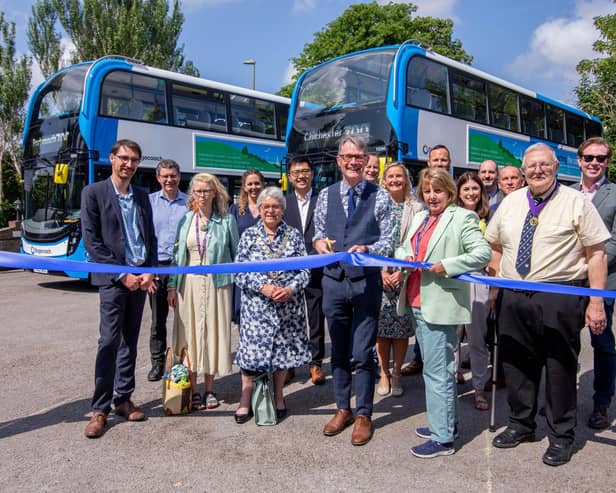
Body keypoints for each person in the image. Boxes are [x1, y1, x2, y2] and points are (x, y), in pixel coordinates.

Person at [485, 142, 610, 466]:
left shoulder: (576, 203)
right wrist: (495, 289)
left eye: (544, 164)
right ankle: (521, 424)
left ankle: (561, 436)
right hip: (513, 294)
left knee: (559, 368)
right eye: (531, 166)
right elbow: (496, 246)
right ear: (523, 171)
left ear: (556, 168)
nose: (537, 170)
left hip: (560, 294)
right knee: (516, 365)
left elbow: (596, 254)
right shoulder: (510, 203)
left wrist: (595, 302)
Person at [396, 167, 491, 458]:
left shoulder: (463, 217)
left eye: (438, 190)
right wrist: (406, 257)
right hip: (415, 300)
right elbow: (401, 248)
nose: (432, 196)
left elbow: (482, 253)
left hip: (439, 304)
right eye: (427, 191)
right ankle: (447, 424)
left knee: (437, 373)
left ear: (450, 192)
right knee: (437, 371)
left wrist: (448, 265)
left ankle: (443, 439)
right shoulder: (422, 218)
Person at [313, 136, 395, 446]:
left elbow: (389, 240)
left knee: (362, 353)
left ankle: (364, 414)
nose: (353, 161)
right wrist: (319, 243)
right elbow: (319, 233)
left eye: (358, 156)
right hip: (334, 282)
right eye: (347, 156)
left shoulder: (382, 197)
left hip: (365, 284)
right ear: (338, 160)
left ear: (365, 160)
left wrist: (369, 248)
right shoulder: (326, 195)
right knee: (340, 351)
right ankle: (342, 408)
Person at [81, 139, 157, 439]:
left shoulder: (141, 195)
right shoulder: (94, 193)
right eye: (124, 158)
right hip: (114, 281)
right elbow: (92, 242)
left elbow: (149, 238)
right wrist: (123, 274)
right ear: (112, 158)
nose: (129, 164)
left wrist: (149, 271)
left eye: (134, 160)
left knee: (130, 342)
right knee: (109, 342)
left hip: (141, 279)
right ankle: (100, 409)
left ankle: (123, 398)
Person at [233, 187, 311, 424]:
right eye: (266, 206)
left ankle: (278, 396)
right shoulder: (248, 235)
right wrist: (262, 286)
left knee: (281, 354)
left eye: (275, 206)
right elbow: (239, 271)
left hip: (286, 306)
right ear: (260, 209)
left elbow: (305, 270)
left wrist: (290, 289)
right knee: (251, 355)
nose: (270, 211)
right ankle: (245, 400)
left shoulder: (295, 235)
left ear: (282, 210)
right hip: (257, 308)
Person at [167, 173, 238, 411]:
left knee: (211, 334)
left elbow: (237, 254)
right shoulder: (186, 220)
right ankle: (193, 390)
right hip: (189, 284)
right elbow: (178, 256)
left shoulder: (226, 221)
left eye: (207, 191)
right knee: (190, 335)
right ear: (192, 194)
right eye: (198, 191)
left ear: (215, 193)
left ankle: (210, 389)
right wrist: (172, 286)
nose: (202, 195)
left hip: (218, 285)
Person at [572, 137, 616, 430]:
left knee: (602, 343)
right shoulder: (566, 193)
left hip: (602, 282)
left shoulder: (614, 194)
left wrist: (588, 267)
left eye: (600, 158)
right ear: (579, 160)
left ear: (608, 162)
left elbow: (614, 241)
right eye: (589, 158)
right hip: (567, 283)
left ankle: (602, 403)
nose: (594, 163)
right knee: (563, 341)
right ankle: (561, 400)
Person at [401, 143, 454, 378]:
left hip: (446, 283)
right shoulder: (419, 205)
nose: (440, 163)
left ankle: (450, 368)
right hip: (418, 285)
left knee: (445, 348)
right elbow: (408, 241)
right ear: (428, 163)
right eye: (436, 160)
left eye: (444, 160)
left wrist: (450, 265)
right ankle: (420, 359)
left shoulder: (455, 197)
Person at [375, 162, 423, 397]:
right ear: (384, 180)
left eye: (399, 176)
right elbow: (371, 240)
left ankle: (396, 373)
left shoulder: (416, 208)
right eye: (390, 176)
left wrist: (402, 272)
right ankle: (383, 373)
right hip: (380, 273)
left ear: (406, 180)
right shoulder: (376, 205)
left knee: (401, 329)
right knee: (381, 329)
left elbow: (417, 243)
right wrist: (381, 271)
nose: (394, 180)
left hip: (405, 273)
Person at [283, 157, 326, 385]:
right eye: (296, 172)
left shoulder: (323, 200)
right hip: (290, 271)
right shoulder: (283, 202)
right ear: (289, 176)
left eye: (305, 171)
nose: (300, 176)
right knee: (290, 316)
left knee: (316, 316)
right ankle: (290, 363)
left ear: (312, 173)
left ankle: (315, 362)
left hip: (317, 269)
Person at [147, 160, 188, 382]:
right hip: (157, 268)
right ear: (158, 178)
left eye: (173, 175)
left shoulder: (190, 203)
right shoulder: (149, 202)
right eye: (165, 176)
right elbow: (145, 238)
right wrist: (149, 271)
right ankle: (158, 362)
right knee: (157, 320)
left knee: (184, 319)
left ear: (179, 176)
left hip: (183, 268)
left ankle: (185, 361)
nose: (169, 180)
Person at [456, 172, 491, 410]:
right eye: (466, 189)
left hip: (479, 280)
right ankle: (453, 376)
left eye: (475, 189)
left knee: (477, 339)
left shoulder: (490, 216)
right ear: (458, 193)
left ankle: (479, 388)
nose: (471, 193)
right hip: (455, 280)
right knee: (453, 337)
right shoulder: (452, 216)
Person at [229, 169, 265, 324]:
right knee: (241, 312)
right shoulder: (235, 210)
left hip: (266, 269)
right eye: (249, 184)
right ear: (244, 187)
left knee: (263, 311)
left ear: (263, 185)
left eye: (257, 183)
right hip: (243, 270)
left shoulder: (270, 206)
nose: (253, 187)